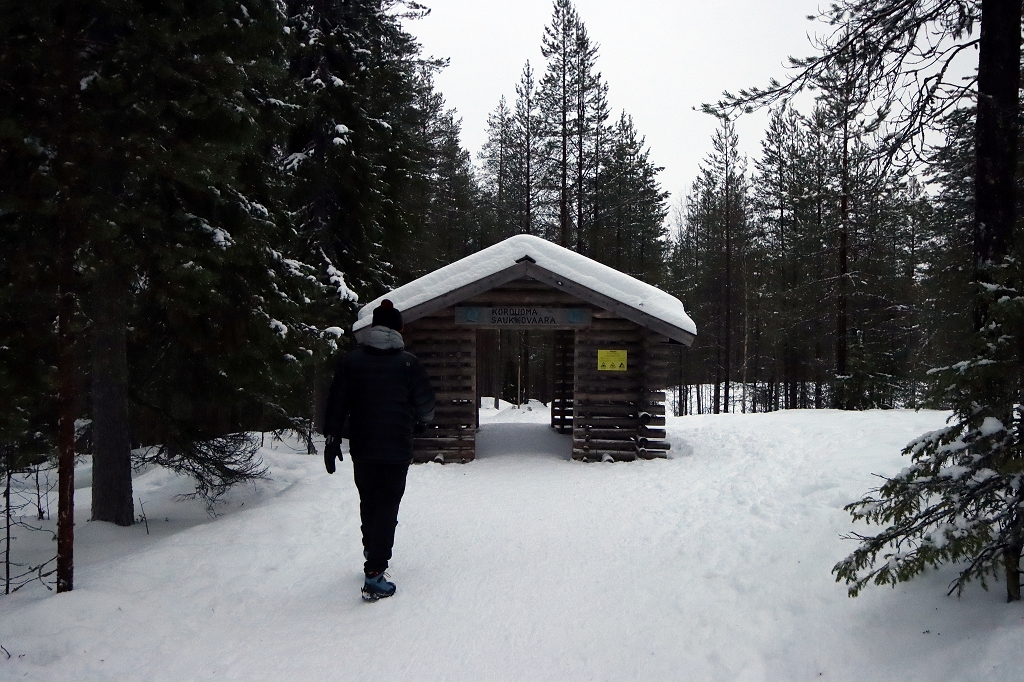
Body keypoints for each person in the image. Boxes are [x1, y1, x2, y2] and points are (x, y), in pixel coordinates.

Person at [322, 299, 435, 602]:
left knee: (369, 501)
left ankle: (372, 549)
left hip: (364, 447)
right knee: (387, 507)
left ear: (373, 329)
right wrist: (422, 424)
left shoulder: (351, 362)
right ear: (399, 329)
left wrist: (332, 439)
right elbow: (425, 403)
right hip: (397, 447)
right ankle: (375, 574)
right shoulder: (409, 363)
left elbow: (336, 403)